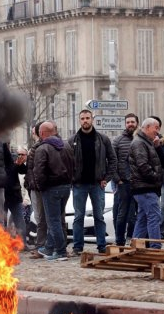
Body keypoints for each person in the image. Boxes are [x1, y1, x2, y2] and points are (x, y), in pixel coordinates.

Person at [69, 109, 117, 255]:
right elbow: (67, 163)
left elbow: (113, 160)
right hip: (79, 185)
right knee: (78, 217)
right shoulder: (73, 141)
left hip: (97, 184)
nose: (85, 121)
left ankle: (101, 246)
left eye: (87, 118)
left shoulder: (103, 139)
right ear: (79, 120)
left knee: (99, 216)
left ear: (92, 119)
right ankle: (77, 247)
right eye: (82, 118)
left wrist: (106, 178)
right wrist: (72, 179)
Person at [34, 121, 74, 261]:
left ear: (42, 133)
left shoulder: (43, 148)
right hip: (66, 187)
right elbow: (73, 165)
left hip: (51, 189)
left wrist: (41, 187)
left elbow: (39, 172)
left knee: (53, 221)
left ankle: (61, 251)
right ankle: (49, 248)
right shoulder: (67, 146)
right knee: (57, 218)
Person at [129, 118, 164, 249]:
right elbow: (143, 165)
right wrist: (156, 178)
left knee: (143, 218)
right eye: (156, 128)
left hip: (144, 187)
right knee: (154, 217)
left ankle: (136, 246)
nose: (157, 131)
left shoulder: (145, 142)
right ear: (148, 127)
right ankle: (155, 247)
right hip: (145, 187)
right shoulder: (140, 143)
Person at [111, 113, 139, 246]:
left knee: (134, 215)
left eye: (132, 122)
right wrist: (117, 180)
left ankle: (132, 239)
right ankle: (119, 240)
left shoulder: (140, 139)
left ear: (137, 123)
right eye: (128, 122)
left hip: (138, 183)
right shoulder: (117, 141)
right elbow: (111, 162)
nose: (130, 124)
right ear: (125, 124)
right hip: (123, 183)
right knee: (122, 214)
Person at [24, 122, 48, 259]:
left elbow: (36, 170)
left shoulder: (39, 148)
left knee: (41, 218)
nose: (33, 134)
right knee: (41, 218)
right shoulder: (35, 148)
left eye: (34, 132)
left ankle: (42, 247)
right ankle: (43, 246)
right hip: (35, 186)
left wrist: (34, 184)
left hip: (39, 187)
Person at [4, 146, 28, 250]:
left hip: (14, 194)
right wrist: (15, 166)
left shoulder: (14, 157)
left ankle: (23, 243)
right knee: (2, 221)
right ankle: (4, 244)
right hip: (2, 194)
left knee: (20, 220)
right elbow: (6, 174)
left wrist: (20, 164)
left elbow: (23, 170)